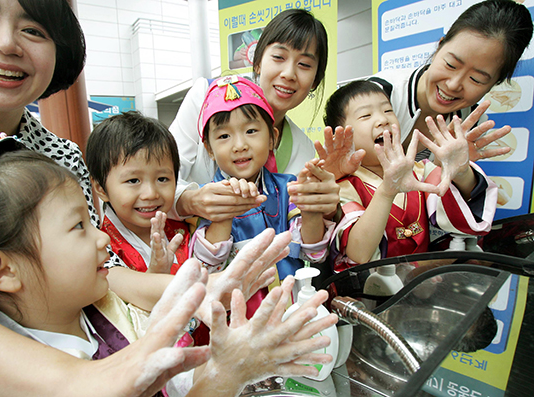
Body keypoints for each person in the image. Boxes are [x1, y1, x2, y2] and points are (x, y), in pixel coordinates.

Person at [0, 142, 337, 397]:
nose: (102, 239)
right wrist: (225, 377)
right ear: (1, 269)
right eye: (79, 226)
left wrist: (225, 364)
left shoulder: (107, 309)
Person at [317, 0, 534, 177]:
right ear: (440, 46)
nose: (453, 84)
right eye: (451, 64)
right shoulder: (380, 93)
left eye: (476, 79)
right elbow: (338, 173)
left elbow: (450, 203)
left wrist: (459, 172)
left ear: (494, 83)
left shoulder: (468, 121)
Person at [172, 9, 341, 223]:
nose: (289, 74)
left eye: (304, 65)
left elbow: (303, 232)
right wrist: (190, 201)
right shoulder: (204, 98)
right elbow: (162, 176)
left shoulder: (305, 152)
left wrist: (326, 209)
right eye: (279, 57)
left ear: (315, 80)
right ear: (258, 62)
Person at [324, 80, 497, 269]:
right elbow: (359, 254)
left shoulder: (420, 171)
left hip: (423, 285)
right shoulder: (344, 187)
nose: (383, 119)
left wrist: (461, 171)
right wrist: (386, 192)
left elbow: (462, 203)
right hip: (370, 292)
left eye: (388, 111)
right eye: (366, 115)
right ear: (341, 138)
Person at [192, 76, 338, 287]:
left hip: (289, 304)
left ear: (272, 138)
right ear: (209, 149)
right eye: (224, 136)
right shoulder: (207, 198)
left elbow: (314, 253)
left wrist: (310, 209)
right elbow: (205, 267)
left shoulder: (289, 187)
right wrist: (224, 212)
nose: (239, 145)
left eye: (251, 131)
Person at [87, 111, 189, 275]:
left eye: (162, 179)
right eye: (133, 181)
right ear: (100, 189)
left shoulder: (186, 227)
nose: (150, 194)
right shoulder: (101, 251)